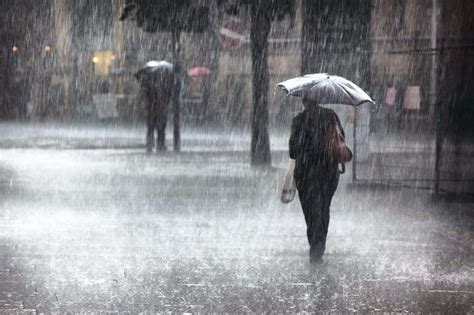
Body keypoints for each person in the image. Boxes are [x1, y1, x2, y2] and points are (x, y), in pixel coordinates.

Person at [289, 96, 345, 263]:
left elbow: (292, 152)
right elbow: (341, 138)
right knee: (323, 208)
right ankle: (319, 244)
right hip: (329, 171)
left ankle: (315, 243)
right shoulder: (331, 116)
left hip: (306, 173)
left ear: (304, 101)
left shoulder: (299, 120)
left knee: (311, 211)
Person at [144, 71, 178, 152]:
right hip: (159, 110)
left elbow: (147, 98)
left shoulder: (150, 85)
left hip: (153, 110)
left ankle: (151, 144)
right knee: (160, 128)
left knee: (152, 128)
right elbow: (167, 97)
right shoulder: (163, 86)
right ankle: (159, 144)